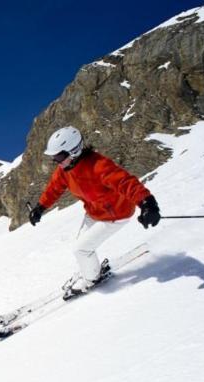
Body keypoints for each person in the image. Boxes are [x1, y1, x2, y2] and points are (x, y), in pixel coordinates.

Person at [28, 126, 161, 298]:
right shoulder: (65, 170)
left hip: (115, 214)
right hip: (94, 212)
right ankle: (91, 269)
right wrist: (40, 207)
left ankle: (92, 279)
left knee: (80, 249)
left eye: (59, 156)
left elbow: (126, 183)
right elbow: (54, 188)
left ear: (73, 150)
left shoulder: (98, 165)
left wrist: (147, 204)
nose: (56, 161)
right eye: (54, 157)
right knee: (82, 246)